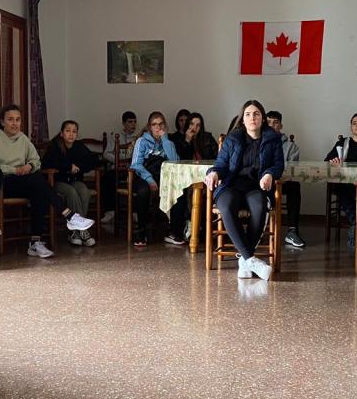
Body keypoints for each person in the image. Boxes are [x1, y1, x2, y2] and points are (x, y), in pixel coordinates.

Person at [0, 104, 95, 257]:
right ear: (2, 122)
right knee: (37, 182)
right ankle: (69, 215)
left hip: (21, 181)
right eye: (10, 120)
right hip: (1, 184)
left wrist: (30, 165)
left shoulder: (23, 139)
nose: (15, 123)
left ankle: (36, 242)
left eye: (18, 120)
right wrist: (14, 170)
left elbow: (36, 161)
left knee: (38, 188)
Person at [204, 100, 284, 281]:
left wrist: (269, 174)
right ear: (242, 119)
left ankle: (244, 260)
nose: (252, 117)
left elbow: (278, 165)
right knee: (226, 206)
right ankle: (250, 259)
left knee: (260, 206)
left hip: (256, 186)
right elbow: (221, 164)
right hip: (231, 185)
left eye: (256, 114)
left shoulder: (273, 138)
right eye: (248, 114)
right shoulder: (233, 138)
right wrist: (214, 173)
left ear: (262, 118)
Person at [129, 111, 189, 247]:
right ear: (149, 127)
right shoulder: (142, 141)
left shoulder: (168, 142)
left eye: (161, 124)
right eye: (154, 124)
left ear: (165, 126)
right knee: (143, 192)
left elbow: (174, 161)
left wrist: (165, 140)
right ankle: (141, 232)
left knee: (179, 190)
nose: (158, 127)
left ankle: (173, 232)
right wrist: (150, 180)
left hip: (163, 177)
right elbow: (136, 164)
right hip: (144, 176)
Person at [41, 120, 98, 247]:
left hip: (74, 180)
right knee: (71, 192)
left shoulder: (78, 146)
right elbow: (47, 164)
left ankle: (78, 232)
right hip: (57, 182)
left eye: (74, 132)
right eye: (68, 131)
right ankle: (80, 231)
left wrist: (78, 167)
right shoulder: (55, 146)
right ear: (61, 133)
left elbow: (93, 160)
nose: (71, 134)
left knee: (83, 190)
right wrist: (68, 167)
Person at [326, 113, 357, 247]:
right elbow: (327, 160)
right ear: (351, 126)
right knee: (340, 187)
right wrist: (334, 162)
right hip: (345, 184)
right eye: (354, 123)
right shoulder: (343, 143)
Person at [265, 110, 304, 248]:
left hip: (281, 181)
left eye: (275, 123)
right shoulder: (257, 141)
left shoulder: (290, 147)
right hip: (260, 181)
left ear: (281, 126)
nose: (271, 125)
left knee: (295, 186)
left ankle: (292, 231)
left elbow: (291, 169)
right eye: (268, 122)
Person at [101, 111, 138, 223]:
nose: (133, 124)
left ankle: (135, 212)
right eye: (130, 122)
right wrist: (118, 161)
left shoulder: (138, 138)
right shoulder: (115, 136)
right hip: (118, 168)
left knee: (141, 179)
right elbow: (106, 154)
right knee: (107, 178)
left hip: (133, 170)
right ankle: (110, 211)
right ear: (123, 123)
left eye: (135, 122)